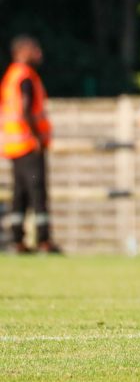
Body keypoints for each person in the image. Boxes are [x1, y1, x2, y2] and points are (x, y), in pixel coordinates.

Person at [1, 35, 60, 254]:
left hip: (14, 146)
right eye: (34, 50)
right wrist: (36, 137)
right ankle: (44, 239)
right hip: (28, 145)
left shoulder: (11, 76)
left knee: (20, 193)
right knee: (37, 190)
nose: (39, 54)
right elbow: (25, 109)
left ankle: (17, 239)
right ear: (22, 52)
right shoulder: (26, 77)